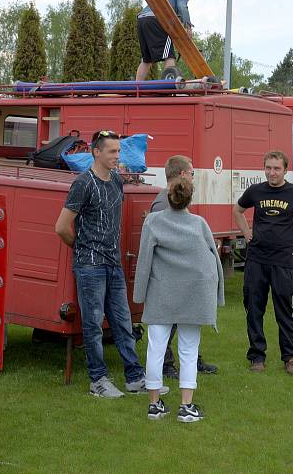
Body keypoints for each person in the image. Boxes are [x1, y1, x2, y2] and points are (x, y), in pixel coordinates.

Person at [55, 130, 168, 398]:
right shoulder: (83, 183)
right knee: (93, 325)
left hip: (113, 264)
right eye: (112, 151)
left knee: (122, 322)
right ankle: (98, 381)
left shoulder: (117, 181)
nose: (118, 156)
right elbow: (61, 227)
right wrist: (83, 248)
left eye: (118, 151)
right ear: (96, 152)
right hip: (90, 266)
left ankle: (135, 378)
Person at [134, 177, 224, 422]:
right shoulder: (199, 224)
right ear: (189, 198)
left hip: (161, 294)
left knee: (156, 348)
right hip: (194, 294)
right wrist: (217, 294)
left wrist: (138, 295)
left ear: (168, 197)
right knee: (188, 349)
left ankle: (154, 405)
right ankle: (186, 406)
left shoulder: (153, 221)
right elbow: (213, 260)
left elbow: (144, 261)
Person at [233, 150, 293, 375]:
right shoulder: (255, 191)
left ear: (285, 170)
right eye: (268, 168)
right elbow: (238, 210)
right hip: (257, 259)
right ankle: (257, 356)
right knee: (254, 308)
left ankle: (290, 358)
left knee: (285, 310)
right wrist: (246, 233)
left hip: (284, 261)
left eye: (276, 168)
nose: (272, 173)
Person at [150, 155, 219, 378]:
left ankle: (190, 360)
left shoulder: (172, 199)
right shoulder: (163, 204)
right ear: (181, 174)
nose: (193, 177)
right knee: (166, 328)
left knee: (182, 324)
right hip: (172, 280)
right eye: (191, 173)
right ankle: (166, 365)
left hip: (183, 278)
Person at [136, 0, 192, 81]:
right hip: (156, 19)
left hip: (141, 20)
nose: (187, 1)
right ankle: (167, 86)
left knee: (146, 59)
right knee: (169, 56)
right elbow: (182, 7)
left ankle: (136, 87)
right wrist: (188, 26)